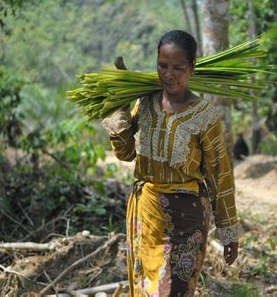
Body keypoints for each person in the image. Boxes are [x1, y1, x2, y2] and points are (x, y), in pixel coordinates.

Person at [101, 30, 242, 296]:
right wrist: (120, 105)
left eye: (178, 68)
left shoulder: (204, 115)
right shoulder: (145, 104)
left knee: (171, 291)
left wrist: (229, 231)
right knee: (147, 290)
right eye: (162, 66)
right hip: (148, 214)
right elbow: (126, 153)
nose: (169, 74)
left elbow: (219, 176)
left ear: (192, 68)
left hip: (187, 218)